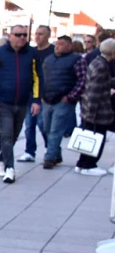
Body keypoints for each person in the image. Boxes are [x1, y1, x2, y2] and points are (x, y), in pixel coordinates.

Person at [0, 26, 41, 184]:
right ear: (10, 36)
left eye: (25, 35)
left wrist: (36, 100)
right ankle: (10, 168)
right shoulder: (0, 52)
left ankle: (1, 161)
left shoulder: (32, 53)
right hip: (4, 102)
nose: (22, 38)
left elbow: (37, 77)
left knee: (14, 135)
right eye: (18, 35)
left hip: (22, 102)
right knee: (6, 135)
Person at [40, 33, 82, 169]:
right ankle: (56, 154)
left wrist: (71, 97)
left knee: (55, 130)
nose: (57, 47)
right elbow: (42, 77)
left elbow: (83, 80)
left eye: (61, 44)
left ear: (70, 46)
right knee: (45, 128)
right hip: (47, 99)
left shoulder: (77, 59)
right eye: (57, 44)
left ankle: (50, 157)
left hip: (63, 100)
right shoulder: (49, 59)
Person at [76, 38, 115, 176]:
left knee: (90, 138)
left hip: (92, 110)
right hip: (98, 112)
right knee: (97, 138)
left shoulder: (97, 62)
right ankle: (89, 164)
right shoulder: (101, 66)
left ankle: (82, 163)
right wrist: (90, 115)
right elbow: (94, 91)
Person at [16, 25, 53, 163]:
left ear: (48, 35)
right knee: (29, 124)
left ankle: (51, 148)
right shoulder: (31, 51)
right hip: (30, 92)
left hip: (45, 94)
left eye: (41, 34)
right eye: (36, 34)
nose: (37, 36)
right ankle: (29, 151)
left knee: (43, 123)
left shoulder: (52, 51)